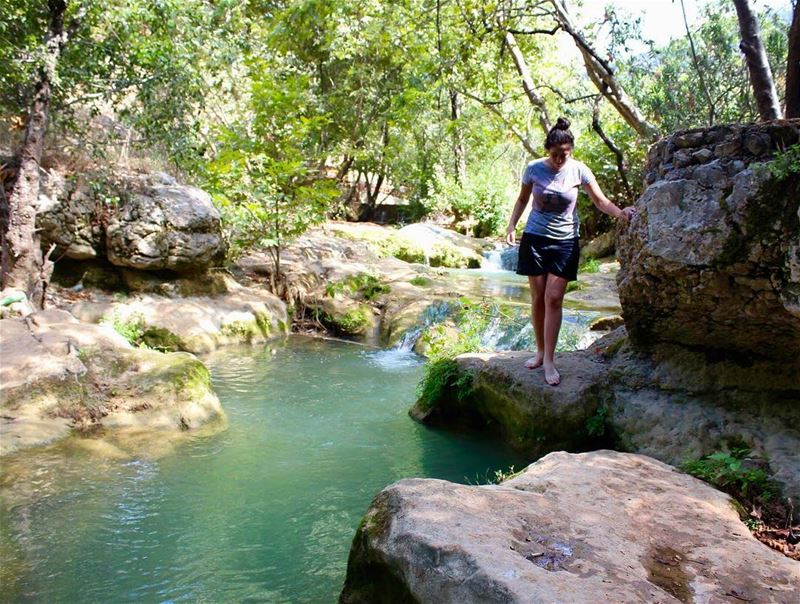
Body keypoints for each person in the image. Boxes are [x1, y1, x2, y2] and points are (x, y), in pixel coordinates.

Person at [505, 117, 635, 386]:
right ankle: (539, 352)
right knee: (538, 297)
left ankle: (550, 360)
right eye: (555, 155)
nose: (559, 160)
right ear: (547, 151)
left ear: (571, 150)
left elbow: (600, 201)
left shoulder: (579, 170)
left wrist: (620, 213)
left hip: (565, 241)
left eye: (564, 154)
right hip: (535, 239)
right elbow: (521, 199)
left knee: (554, 298)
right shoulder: (533, 170)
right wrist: (511, 226)